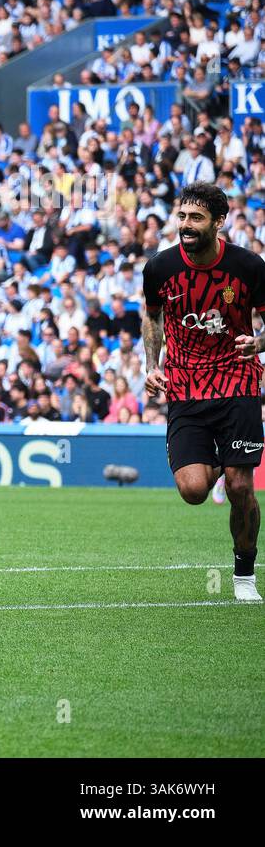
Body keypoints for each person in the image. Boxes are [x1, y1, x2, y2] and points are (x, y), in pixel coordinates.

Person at [142, 182, 264, 602]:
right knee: (193, 489)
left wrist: (259, 343)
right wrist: (150, 366)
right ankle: (221, 466)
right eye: (182, 217)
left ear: (218, 221)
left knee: (241, 486)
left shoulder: (248, 267)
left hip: (238, 381)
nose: (186, 225)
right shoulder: (159, 268)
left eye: (195, 218)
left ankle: (244, 575)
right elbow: (153, 319)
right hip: (185, 386)